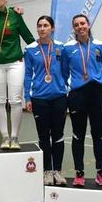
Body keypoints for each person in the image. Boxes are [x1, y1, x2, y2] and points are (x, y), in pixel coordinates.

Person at [62, 14, 102, 187]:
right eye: (76, 25)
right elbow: (63, 72)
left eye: (83, 23)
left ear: (88, 25)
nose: (80, 26)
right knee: (78, 135)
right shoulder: (68, 48)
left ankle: (101, 173)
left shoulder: (100, 46)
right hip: (78, 94)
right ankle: (79, 173)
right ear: (73, 28)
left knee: (98, 134)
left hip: (97, 92)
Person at [0, 0, 34, 150]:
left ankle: (15, 137)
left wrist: (40, 59)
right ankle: (5, 137)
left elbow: (29, 38)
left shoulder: (14, 15)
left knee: (15, 101)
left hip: (15, 63)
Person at [24, 16, 68, 186]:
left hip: (58, 97)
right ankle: (46, 171)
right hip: (39, 98)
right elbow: (28, 74)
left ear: (52, 28)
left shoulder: (60, 48)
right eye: (39, 26)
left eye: (46, 26)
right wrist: (27, 97)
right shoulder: (30, 49)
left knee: (58, 136)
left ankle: (57, 170)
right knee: (44, 137)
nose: (42, 29)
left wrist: (65, 89)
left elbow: (65, 71)